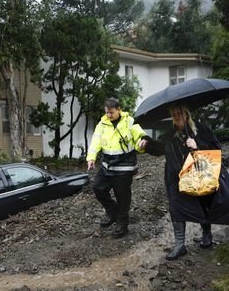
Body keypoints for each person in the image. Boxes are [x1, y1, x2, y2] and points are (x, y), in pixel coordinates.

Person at [142, 105, 229, 260]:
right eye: (173, 113)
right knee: (176, 208)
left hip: (200, 175)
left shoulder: (201, 130)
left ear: (187, 114)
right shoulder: (170, 135)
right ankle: (180, 245)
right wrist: (146, 143)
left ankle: (206, 235)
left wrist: (198, 146)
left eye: (179, 112)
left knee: (204, 205)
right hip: (177, 179)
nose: (176, 115)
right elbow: (158, 148)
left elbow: (216, 148)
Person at [87, 97, 148, 238]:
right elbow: (95, 142)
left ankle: (122, 224)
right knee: (98, 188)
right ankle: (112, 212)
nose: (109, 115)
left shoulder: (129, 121)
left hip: (124, 165)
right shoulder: (102, 124)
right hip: (107, 164)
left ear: (119, 110)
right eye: (107, 112)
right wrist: (91, 158)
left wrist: (142, 143)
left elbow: (139, 135)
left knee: (122, 196)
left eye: (111, 113)